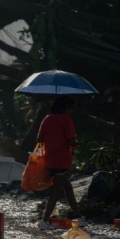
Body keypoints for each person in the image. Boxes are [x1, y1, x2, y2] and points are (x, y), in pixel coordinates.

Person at [36, 96, 87, 230]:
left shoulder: (47, 119)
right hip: (62, 160)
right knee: (56, 191)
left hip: (50, 159)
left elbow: (39, 138)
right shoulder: (66, 120)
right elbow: (71, 141)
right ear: (65, 107)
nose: (72, 110)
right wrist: (77, 143)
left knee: (68, 188)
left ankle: (79, 218)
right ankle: (45, 221)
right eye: (71, 107)